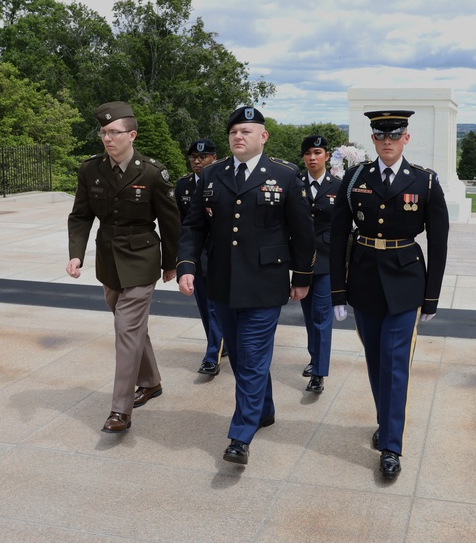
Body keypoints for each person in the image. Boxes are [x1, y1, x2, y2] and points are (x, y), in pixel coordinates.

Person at [177, 105, 315, 466]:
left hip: (265, 283)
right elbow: (194, 226)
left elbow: (303, 232)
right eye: (234, 131)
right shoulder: (212, 175)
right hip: (221, 281)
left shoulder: (284, 175)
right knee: (238, 356)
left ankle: (240, 435)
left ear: (263, 137)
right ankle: (263, 408)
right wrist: (187, 265)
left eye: (247, 131)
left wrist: (302, 277)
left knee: (252, 356)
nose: (239, 136)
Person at [329, 109, 449, 479]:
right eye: (381, 136)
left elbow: (439, 242)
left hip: (405, 282)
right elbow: (337, 237)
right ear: (373, 139)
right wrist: (337, 291)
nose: (387, 142)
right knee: (376, 361)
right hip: (364, 280)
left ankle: (391, 446)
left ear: (406, 139)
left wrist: (431, 297)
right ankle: (386, 420)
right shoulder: (354, 178)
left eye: (394, 136)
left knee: (395, 366)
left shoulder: (424, 182)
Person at [66, 101, 182, 433]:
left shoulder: (151, 172)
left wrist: (171, 263)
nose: (107, 138)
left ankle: (121, 410)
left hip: (143, 256)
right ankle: (151, 381)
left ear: (132, 134)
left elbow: (171, 222)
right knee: (130, 326)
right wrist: (77, 254)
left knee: (125, 329)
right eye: (103, 132)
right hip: (108, 260)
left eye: (113, 132)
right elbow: (81, 215)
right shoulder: (90, 169)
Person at [175, 138, 225, 376]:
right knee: (204, 307)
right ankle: (217, 344)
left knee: (215, 307)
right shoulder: (183, 185)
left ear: (213, 158)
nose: (197, 161)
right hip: (196, 255)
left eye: (203, 157)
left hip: (217, 253)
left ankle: (212, 355)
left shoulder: (222, 181)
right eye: (193, 157)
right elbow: (181, 225)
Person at [298, 134, 341, 395]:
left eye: (317, 153)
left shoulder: (338, 185)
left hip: (327, 260)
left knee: (322, 316)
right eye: (307, 154)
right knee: (308, 315)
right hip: (302, 260)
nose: (312, 158)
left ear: (326, 155)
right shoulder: (295, 184)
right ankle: (315, 358)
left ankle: (319, 373)